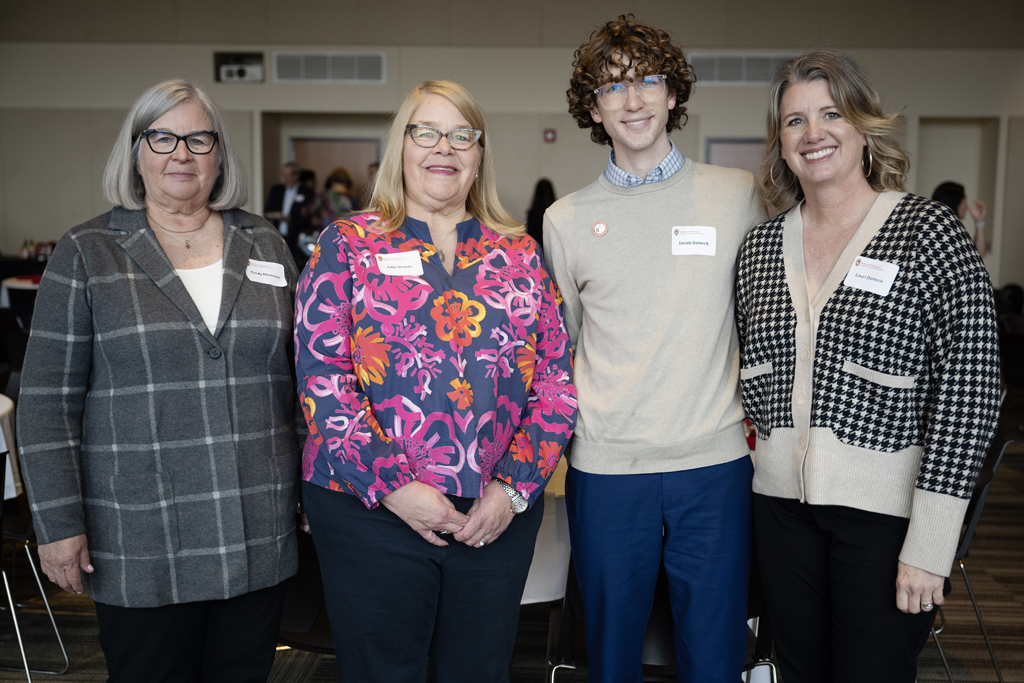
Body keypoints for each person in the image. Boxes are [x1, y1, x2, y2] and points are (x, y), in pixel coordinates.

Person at [17, 79, 301, 683]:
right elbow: (46, 404)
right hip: (140, 532)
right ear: (136, 150)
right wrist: (60, 525)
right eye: (163, 137)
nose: (182, 153)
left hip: (256, 519)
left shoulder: (266, 243)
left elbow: (301, 378)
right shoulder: (88, 251)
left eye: (199, 138)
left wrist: (309, 490)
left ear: (219, 153)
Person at [295, 79, 577, 683]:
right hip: (370, 510)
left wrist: (515, 489)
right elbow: (323, 381)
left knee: (477, 672)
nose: (442, 148)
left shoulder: (519, 254)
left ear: (479, 155)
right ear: (402, 146)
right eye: (425, 132)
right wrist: (394, 485)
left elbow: (555, 385)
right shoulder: (346, 245)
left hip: (492, 518)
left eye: (461, 135)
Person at [736, 49, 1001, 683]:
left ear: (863, 125)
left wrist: (932, 543)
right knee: (797, 671)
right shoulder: (760, 248)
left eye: (831, 113)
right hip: (780, 512)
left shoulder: (926, 233)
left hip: (886, 519)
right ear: (779, 141)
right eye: (794, 121)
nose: (813, 133)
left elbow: (972, 392)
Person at [542, 15, 767, 683]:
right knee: (610, 655)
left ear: (674, 95)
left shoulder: (736, 196)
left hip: (716, 465)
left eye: (647, 80)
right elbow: (570, 342)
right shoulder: (566, 219)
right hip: (608, 470)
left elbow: (759, 319)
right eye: (613, 88)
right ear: (594, 109)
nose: (633, 99)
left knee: (715, 652)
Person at [265, 161, 313, 254]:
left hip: (296, 237)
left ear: (296, 176)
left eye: (287, 175)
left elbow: (308, 217)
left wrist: (291, 219)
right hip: (277, 234)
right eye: (283, 175)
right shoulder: (277, 190)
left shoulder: (307, 192)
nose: (284, 178)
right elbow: (268, 209)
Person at [932, 181, 989, 257]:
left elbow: (977, 257)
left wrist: (979, 221)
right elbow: (977, 257)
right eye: (965, 200)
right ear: (956, 202)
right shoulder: (949, 234)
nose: (966, 206)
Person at [525, 178, 555, 245]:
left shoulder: (532, 214)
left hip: (536, 248)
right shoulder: (555, 213)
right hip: (552, 248)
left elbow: (531, 235)